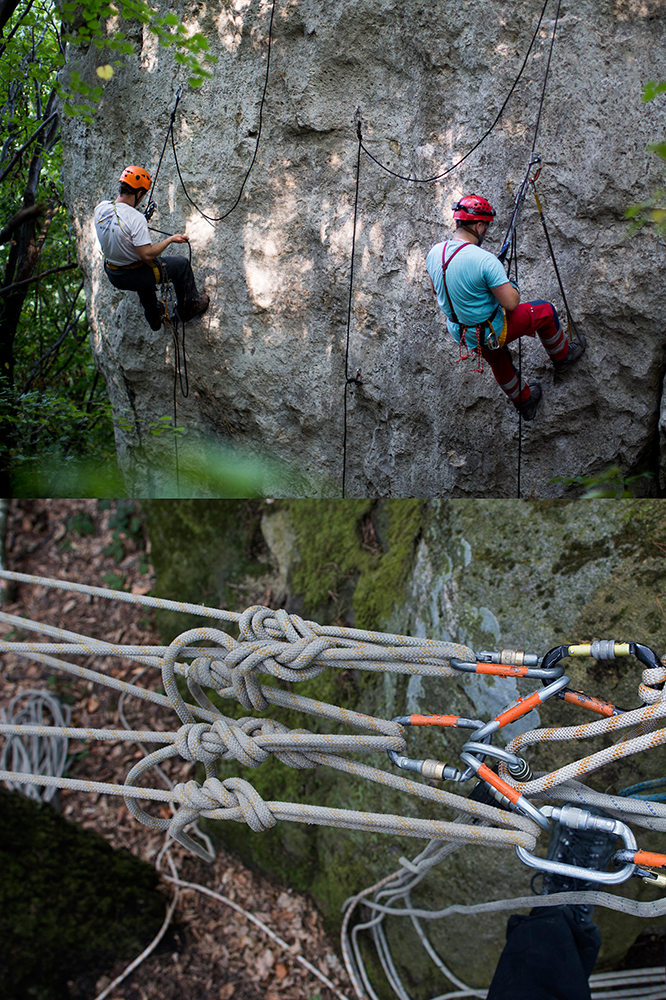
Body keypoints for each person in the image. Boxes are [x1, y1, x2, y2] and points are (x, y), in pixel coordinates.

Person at [426, 193, 584, 420]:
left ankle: (525, 402)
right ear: (479, 226)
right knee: (545, 312)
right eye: (486, 226)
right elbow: (511, 303)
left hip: (463, 333)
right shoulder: (484, 260)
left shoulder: (434, 253)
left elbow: (436, 288)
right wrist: (510, 285)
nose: (486, 232)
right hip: (490, 329)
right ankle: (563, 357)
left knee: (497, 358)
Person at [94, 166, 209, 331]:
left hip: (113, 273)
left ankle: (154, 317)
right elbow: (147, 254)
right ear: (139, 193)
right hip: (131, 274)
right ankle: (187, 308)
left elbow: (118, 233)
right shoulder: (135, 218)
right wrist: (170, 240)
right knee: (180, 265)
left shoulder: (101, 208)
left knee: (141, 272)